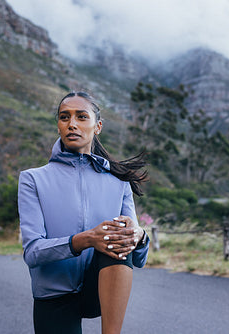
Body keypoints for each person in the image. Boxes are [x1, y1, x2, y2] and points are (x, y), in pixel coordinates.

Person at [18, 91, 150, 334]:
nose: (72, 124)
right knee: (105, 237)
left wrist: (140, 236)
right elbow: (32, 253)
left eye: (81, 117)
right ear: (58, 125)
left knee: (116, 236)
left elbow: (139, 259)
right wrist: (87, 239)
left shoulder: (118, 181)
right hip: (53, 295)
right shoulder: (32, 180)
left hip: (99, 289)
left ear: (97, 126)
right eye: (64, 117)